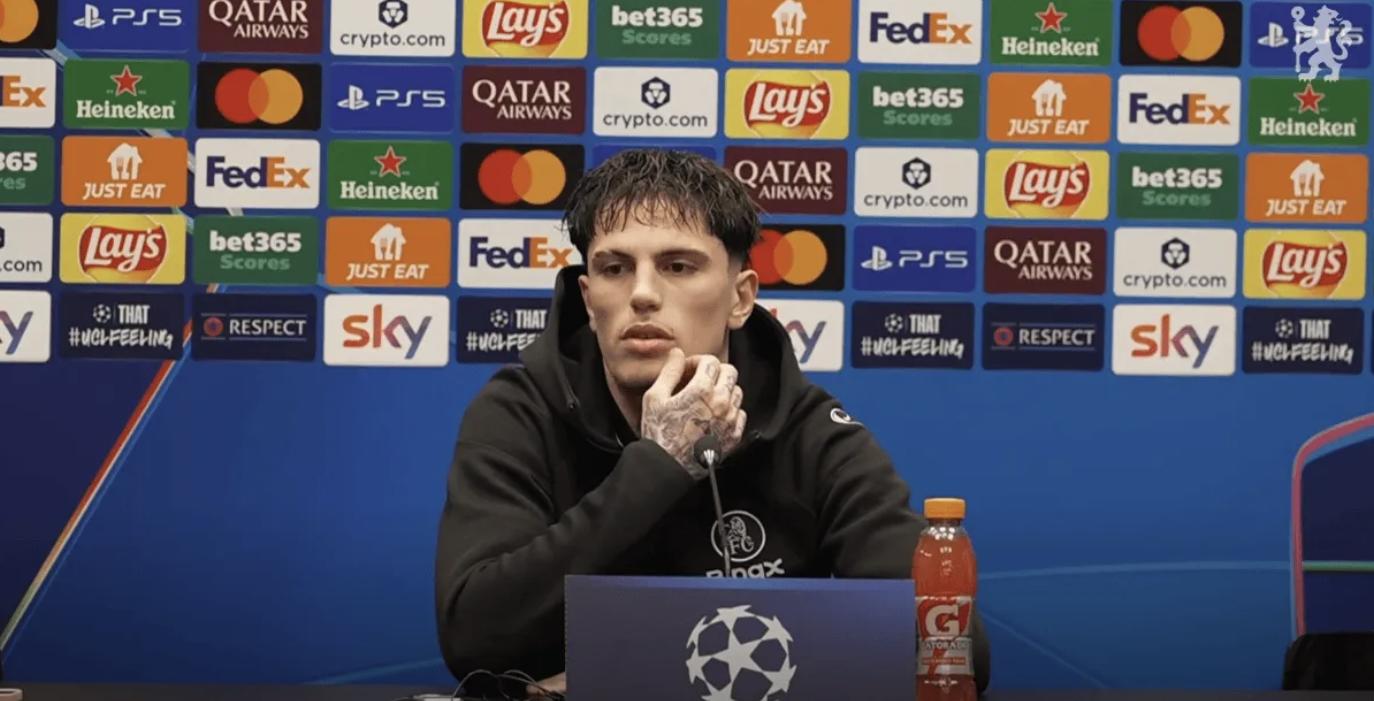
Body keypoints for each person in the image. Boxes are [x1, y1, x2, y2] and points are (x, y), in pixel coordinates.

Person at [434, 149, 991, 696]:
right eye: (614, 268)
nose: (642, 294)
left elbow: (951, 652)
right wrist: (657, 467)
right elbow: (473, 639)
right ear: (587, 298)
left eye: (678, 266)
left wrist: (635, 677)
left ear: (740, 298)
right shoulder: (520, 411)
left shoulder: (809, 431)